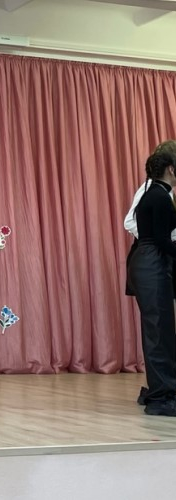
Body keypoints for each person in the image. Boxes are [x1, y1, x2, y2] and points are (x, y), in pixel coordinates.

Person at [124, 140, 176, 405]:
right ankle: (162, 392)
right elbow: (161, 239)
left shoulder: (155, 193)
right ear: (171, 169)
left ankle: (165, 387)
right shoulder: (158, 195)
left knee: (160, 329)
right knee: (158, 330)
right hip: (152, 262)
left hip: (150, 261)